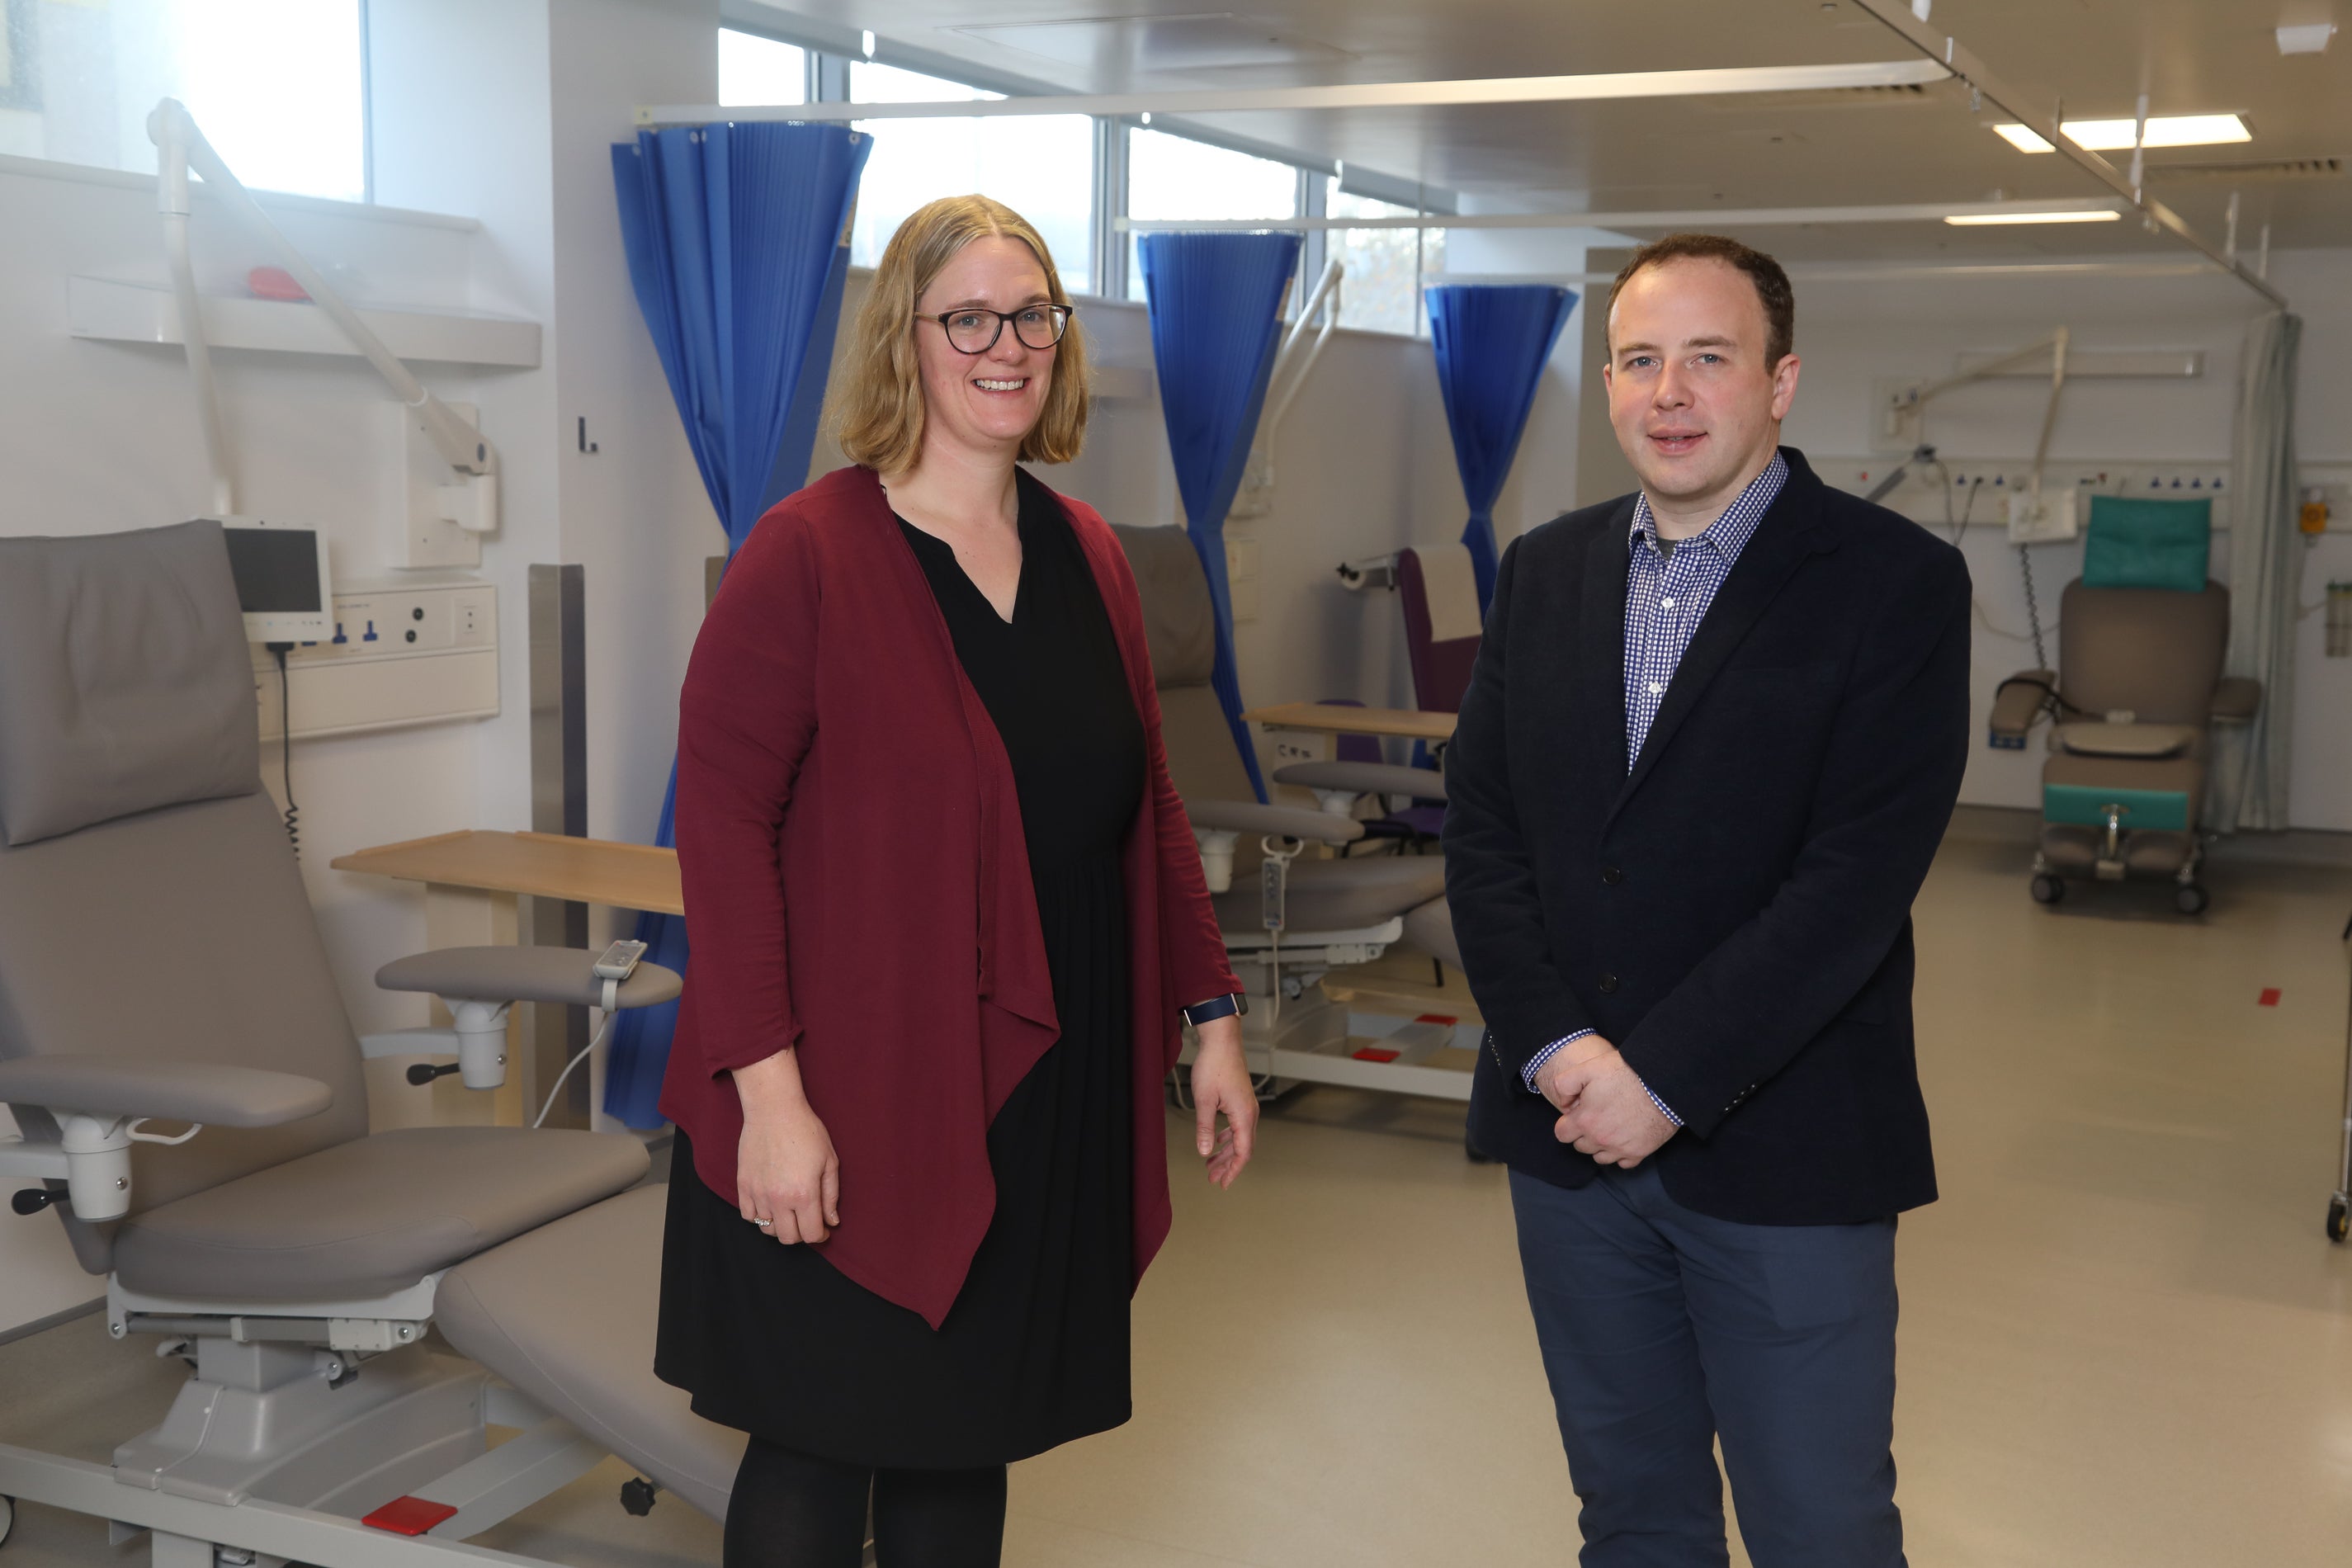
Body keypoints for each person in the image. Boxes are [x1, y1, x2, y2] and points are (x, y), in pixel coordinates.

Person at [653, 193, 1260, 1568]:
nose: (1006, 345)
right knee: (817, 1442)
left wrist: (1211, 1016)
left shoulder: (1088, 552)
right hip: (848, 1085)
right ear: (905, 342)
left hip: (1033, 1081)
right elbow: (723, 833)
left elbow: (1145, 802)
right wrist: (773, 1101)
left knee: (964, 1432)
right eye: (967, 318)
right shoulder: (805, 555)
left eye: (1031, 314)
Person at [1443, 232, 1971, 1567]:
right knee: (1633, 1517)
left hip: (1781, 1149)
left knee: (1820, 1527)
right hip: (1566, 1147)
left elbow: (1850, 882)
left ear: (1779, 383)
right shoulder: (1543, 570)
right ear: (1609, 385)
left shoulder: (1892, 584)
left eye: (1707, 359)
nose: (1668, 392)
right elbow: (1487, 834)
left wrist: (1661, 1079)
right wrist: (1561, 1053)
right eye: (1637, 360)